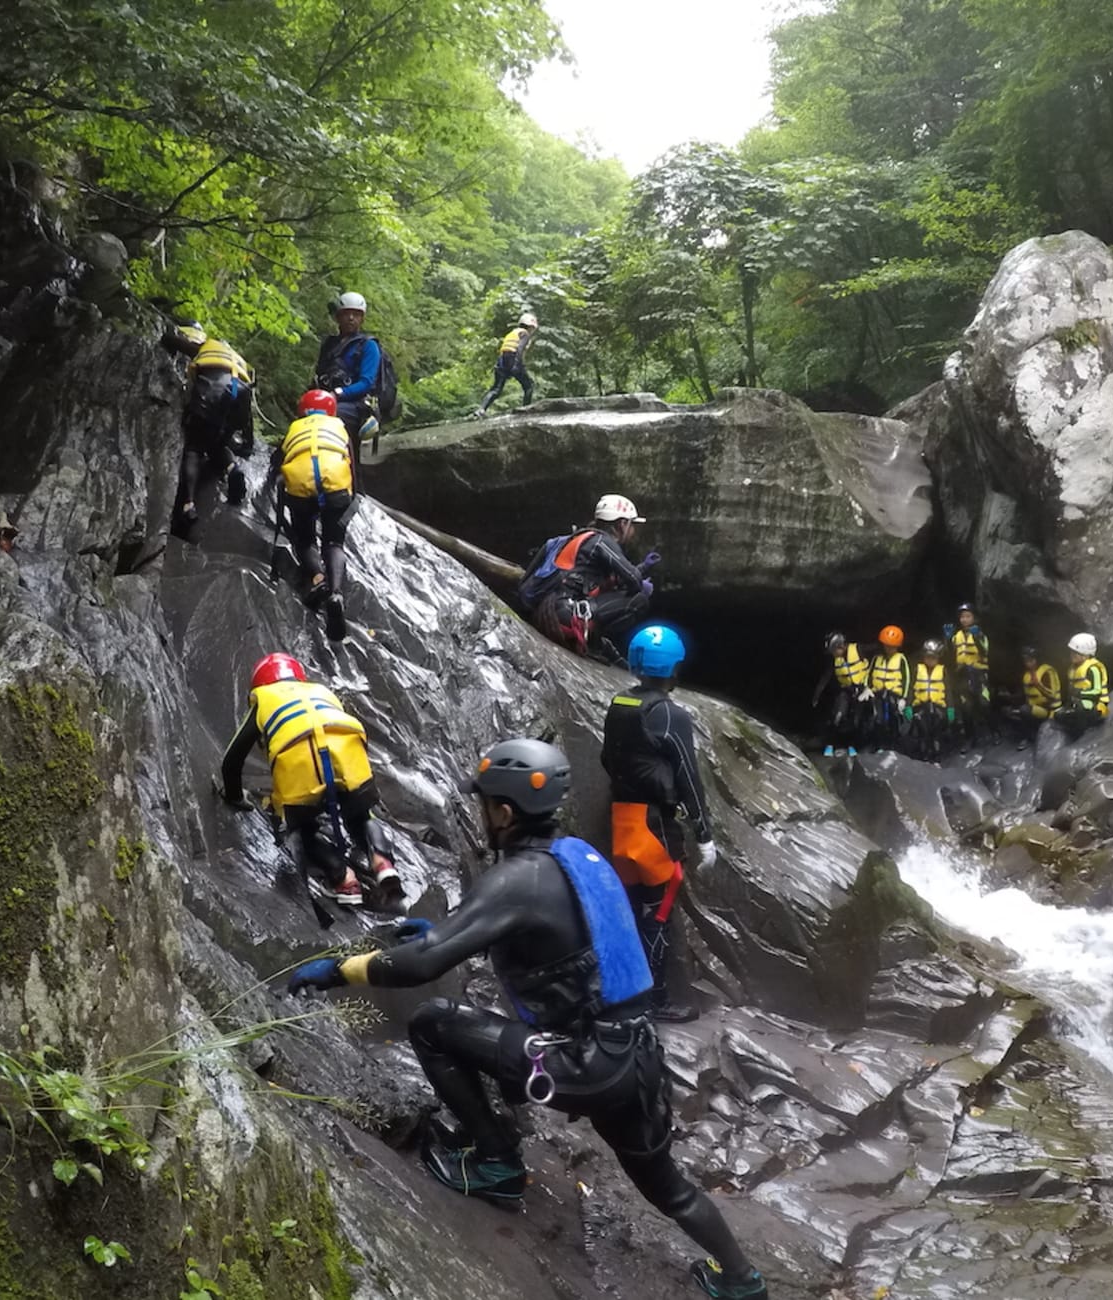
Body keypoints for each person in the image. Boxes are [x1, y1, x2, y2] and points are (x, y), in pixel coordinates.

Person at [285, 738, 769, 1299]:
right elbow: (556, 942)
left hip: (579, 1062)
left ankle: (497, 1162)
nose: (480, 811)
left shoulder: (519, 877)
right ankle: (742, 1281)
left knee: (433, 1024)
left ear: (505, 812)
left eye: (485, 803)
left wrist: (340, 969)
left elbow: (423, 965)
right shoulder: (578, 856)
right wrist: (445, 932)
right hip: (636, 1061)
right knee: (669, 1188)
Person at [213, 652, 401, 910]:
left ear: (260, 685)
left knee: (299, 832)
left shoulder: (265, 700)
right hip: (348, 757)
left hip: (301, 765)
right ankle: (382, 861)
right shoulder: (322, 692)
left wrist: (234, 795)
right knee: (362, 816)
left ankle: (343, 879)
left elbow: (232, 760)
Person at [601, 625, 715, 1023]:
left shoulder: (620, 704)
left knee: (631, 912)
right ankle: (654, 1000)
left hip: (622, 824)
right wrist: (703, 833)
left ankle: (622, 992)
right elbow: (687, 774)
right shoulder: (670, 713)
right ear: (673, 668)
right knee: (658, 915)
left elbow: (606, 760)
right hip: (654, 827)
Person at [521, 494, 654, 662]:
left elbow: (614, 580)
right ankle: (592, 643)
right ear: (622, 524)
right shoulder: (601, 541)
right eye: (632, 525)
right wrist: (643, 585)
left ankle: (594, 640)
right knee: (639, 600)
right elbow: (633, 579)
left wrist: (644, 566)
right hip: (565, 616)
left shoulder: (582, 537)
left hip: (549, 611)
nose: (633, 531)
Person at [275, 390, 358, 641]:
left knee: (305, 540)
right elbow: (352, 464)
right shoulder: (339, 426)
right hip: (335, 487)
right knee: (334, 542)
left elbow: (278, 460)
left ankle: (317, 576)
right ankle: (335, 593)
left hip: (301, 489)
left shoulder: (295, 427)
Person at [163, 323, 255, 540]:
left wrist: (168, 338)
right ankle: (232, 467)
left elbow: (170, 340)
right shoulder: (238, 362)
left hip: (209, 396)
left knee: (194, 448)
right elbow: (247, 415)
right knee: (216, 442)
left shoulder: (206, 348)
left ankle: (188, 503)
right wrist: (247, 445)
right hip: (237, 397)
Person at [314, 291, 381, 458]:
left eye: (356, 314)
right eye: (347, 314)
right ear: (338, 317)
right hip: (326, 399)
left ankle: (351, 473)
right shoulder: (329, 344)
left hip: (356, 404)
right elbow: (320, 374)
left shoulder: (368, 346)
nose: (351, 318)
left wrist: (338, 394)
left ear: (362, 318)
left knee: (330, 417)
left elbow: (366, 382)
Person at [811, 632, 869, 757]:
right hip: (845, 691)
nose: (833, 654)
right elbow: (826, 677)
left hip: (862, 691)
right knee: (837, 716)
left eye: (833, 651)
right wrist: (817, 695)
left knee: (856, 721)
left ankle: (852, 746)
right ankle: (830, 744)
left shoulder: (858, 649)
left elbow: (877, 650)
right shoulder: (835, 660)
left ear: (841, 646)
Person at [946, 603, 992, 743]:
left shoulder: (981, 634)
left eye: (968, 616)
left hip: (979, 674)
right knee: (966, 707)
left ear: (974, 618)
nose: (964, 620)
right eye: (962, 617)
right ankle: (970, 737)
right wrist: (948, 639)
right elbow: (950, 656)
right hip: (963, 676)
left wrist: (977, 638)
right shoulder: (957, 637)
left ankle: (993, 731)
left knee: (984, 703)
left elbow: (984, 651)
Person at [476, 312, 538, 414]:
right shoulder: (524, 334)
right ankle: (526, 410)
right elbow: (519, 349)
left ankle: (481, 410)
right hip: (513, 358)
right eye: (532, 328)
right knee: (529, 386)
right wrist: (517, 365)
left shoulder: (512, 333)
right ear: (530, 326)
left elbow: (505, 350)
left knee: (496, 389)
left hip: (502, 360)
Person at [1056, 632, 1111, 738]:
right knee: (1059, 714)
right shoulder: (1073, 668)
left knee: (1081, 708)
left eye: (1075, 653)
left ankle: (1080, 733)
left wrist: (1079, 693)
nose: (1072, 655)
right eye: (1071, 652)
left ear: (1085, 654)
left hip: (1095, 706)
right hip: (1076, 703)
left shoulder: (1093, 669)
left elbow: (1096, 691)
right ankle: (1075, 726)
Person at [866, 625, 909, 749]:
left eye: (892, 646)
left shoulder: (901, 659)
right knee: (877, 719)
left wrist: (904, 698)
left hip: (893, 694)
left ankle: (893, 744)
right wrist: (867, 687)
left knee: (893, 718)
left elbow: (907, 679)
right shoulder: (877, 658)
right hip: (878, 693)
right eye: (886, 645)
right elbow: (869, 674)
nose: (889, 648)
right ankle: (878, 744)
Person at [1013, 644, 1063, 745]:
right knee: (1011, 712)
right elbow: (1025, 695)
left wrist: (1038, 685)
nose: (1028, 663)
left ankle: (1031, 736)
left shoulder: (1047, 671)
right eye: (1026, 661)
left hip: (1049, 710)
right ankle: (1031, 734)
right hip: (1035, 708)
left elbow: (1052, 696)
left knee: (1024, 710)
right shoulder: (1026, 675)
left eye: (1031, 660)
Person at [909, 639, 950, 761]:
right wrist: (908, 705)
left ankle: (936, 753)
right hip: (921, 705)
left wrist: (951, 708)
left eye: (933, 657)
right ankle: (924, 752)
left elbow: (948, 690)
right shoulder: (918, 669)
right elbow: (911, 689)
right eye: (928, 657)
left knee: (936, 731)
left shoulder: (943, 671)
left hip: (938, 706)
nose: (930, 660)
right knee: (923, 730)